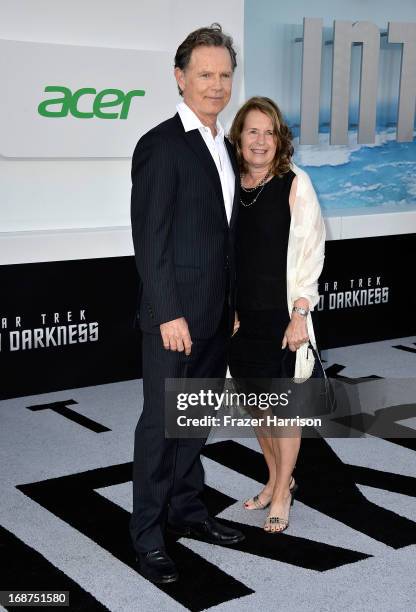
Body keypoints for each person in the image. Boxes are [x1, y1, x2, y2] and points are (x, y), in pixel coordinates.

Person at [130, 24, 244, 584]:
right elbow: (150, 238)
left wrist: (234, 304)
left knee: (194, 421)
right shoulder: (159, 145)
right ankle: (148, 537)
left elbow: (224, 238)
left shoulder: (224, 145)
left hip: (216, 314)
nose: (216, 85)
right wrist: (168, 311)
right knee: (161, 425)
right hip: (174, 318)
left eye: (224, 75)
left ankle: (188, 512)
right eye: (205, 74)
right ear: (180, 78)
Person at [228, 96, 326, 533]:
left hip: (282, 317)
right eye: (253, 131)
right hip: (240, 318)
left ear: (279, 138)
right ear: (239, 136)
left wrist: (300, 312)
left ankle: (283, 491)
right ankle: (272, 479)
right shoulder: (229, 183)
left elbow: (312, 252)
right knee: (257, 409)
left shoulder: (294, 182)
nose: (261, 140)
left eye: (269, 132)